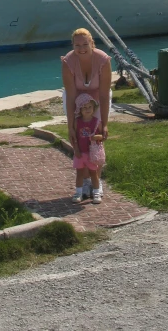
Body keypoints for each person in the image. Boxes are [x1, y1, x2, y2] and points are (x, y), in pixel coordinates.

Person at [61, 28, 112, 197]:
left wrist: (104, 124)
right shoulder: (68, 61)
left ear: (92, 43)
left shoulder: (103, 60)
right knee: (81, 139)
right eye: (77, 45)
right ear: (72, 45)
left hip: (98, 99)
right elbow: (70, 96)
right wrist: (70, 126)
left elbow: (104, 95)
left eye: (85, 44)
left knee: (96, 141)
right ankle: (85, 182)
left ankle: (96, 182)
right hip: (76, 99)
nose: (81, 48)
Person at [71, 93, 105, 204]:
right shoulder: (77, 122)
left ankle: (96, 193)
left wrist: (96, 137)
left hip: (92, 153)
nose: (87, 109)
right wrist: (75, 149)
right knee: (79, 174)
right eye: (84, 107)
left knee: (93, 173)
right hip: (80, 152)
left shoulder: (96, 122)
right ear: (80, 109)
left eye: (90, 107)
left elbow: (103, 137)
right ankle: (78, 193)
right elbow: (75, 137)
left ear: (94, 108)